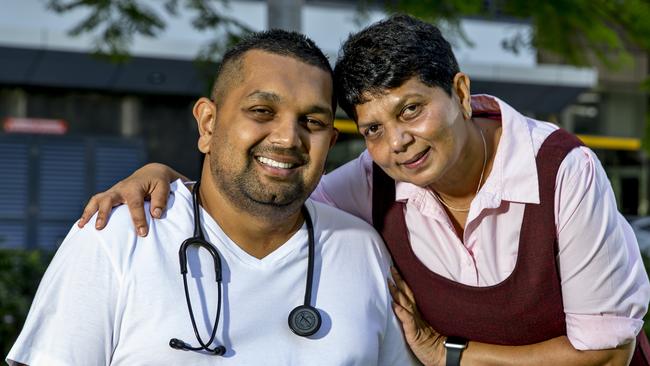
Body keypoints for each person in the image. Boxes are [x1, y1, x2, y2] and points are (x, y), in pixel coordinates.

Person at [77, 14, 650, 366]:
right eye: (373, 129)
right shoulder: (372, 187)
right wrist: (168, 179)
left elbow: (606, 352)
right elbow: (267, 188)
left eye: (412, 110)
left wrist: (448, 355)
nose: (398, 142)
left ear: (459, 89)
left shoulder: (561, 171)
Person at [6, 30, 418, 366]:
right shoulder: (119, 236)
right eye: (261, 111)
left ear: (330, 142)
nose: (288, 138)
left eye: (311, 121)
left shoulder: (362, 249)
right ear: (207, 123)